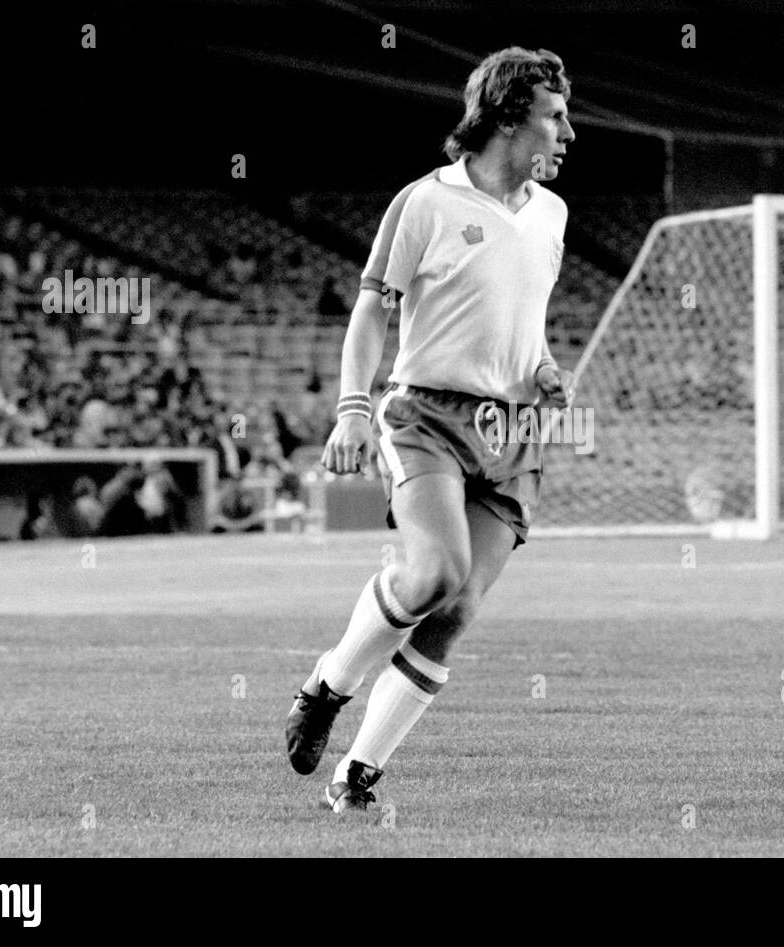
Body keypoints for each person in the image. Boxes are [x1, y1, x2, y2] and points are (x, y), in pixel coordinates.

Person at [285, 46, 575, 814]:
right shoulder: (426, 202)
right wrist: (352, 405)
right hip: (427, 417)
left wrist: (543, 369)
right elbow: (372, 308)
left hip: (512, 430)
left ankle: (356, 775)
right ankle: (327, 685)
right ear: (510, 117)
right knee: (435, 572)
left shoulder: (552, 214)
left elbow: (524, 325)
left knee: (456, 610)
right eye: (554, 116)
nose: (567, 132)